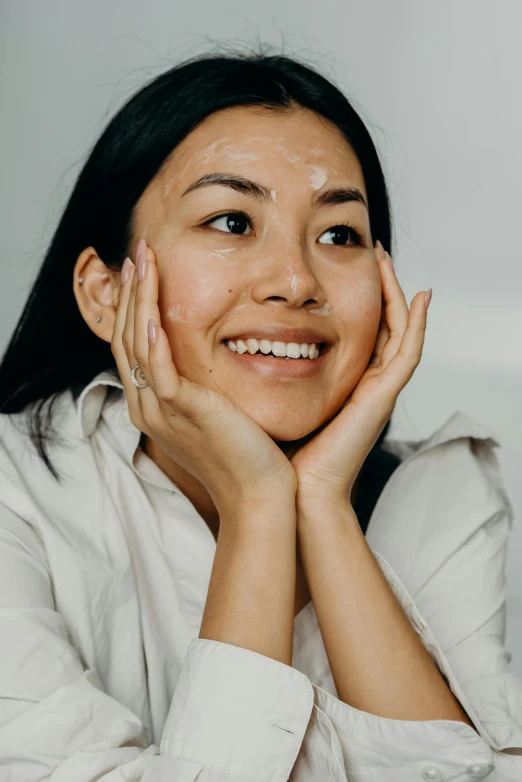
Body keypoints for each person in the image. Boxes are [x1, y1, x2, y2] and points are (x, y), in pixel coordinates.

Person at [0, 49, 520, 781]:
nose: (296, 280)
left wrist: (322, 504)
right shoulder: (15, 497)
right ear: (104, 293)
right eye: (232, 221)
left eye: (339, 234)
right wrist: (257, 506)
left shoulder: (442, 496)